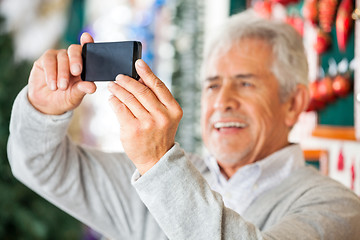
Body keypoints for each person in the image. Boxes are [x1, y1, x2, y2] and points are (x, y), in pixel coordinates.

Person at [7, 9, 360, 240]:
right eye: (212, 84)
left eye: (246, 82)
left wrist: (159, 164)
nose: (223, 101)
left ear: (294, 103)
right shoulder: (150, 179)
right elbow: (38, 165)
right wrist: (41, 108)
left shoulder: (336, 208)